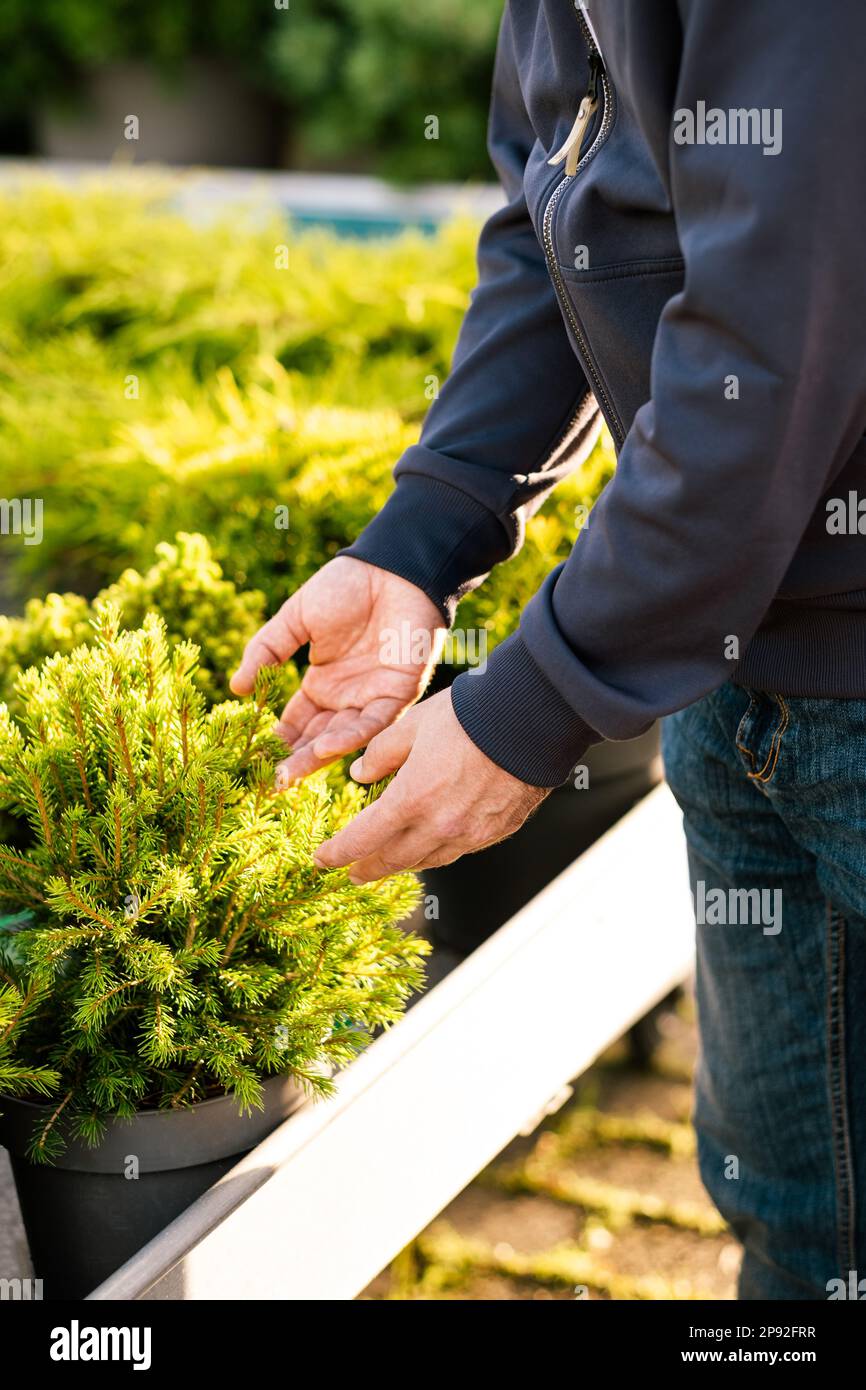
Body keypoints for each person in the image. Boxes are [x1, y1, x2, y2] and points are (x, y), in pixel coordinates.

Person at [231, 1, 866, 1300]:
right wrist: (419, 542)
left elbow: (768, 341)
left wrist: (534, 701)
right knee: (792, 1212)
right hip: (732, 676)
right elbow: (556, 218)